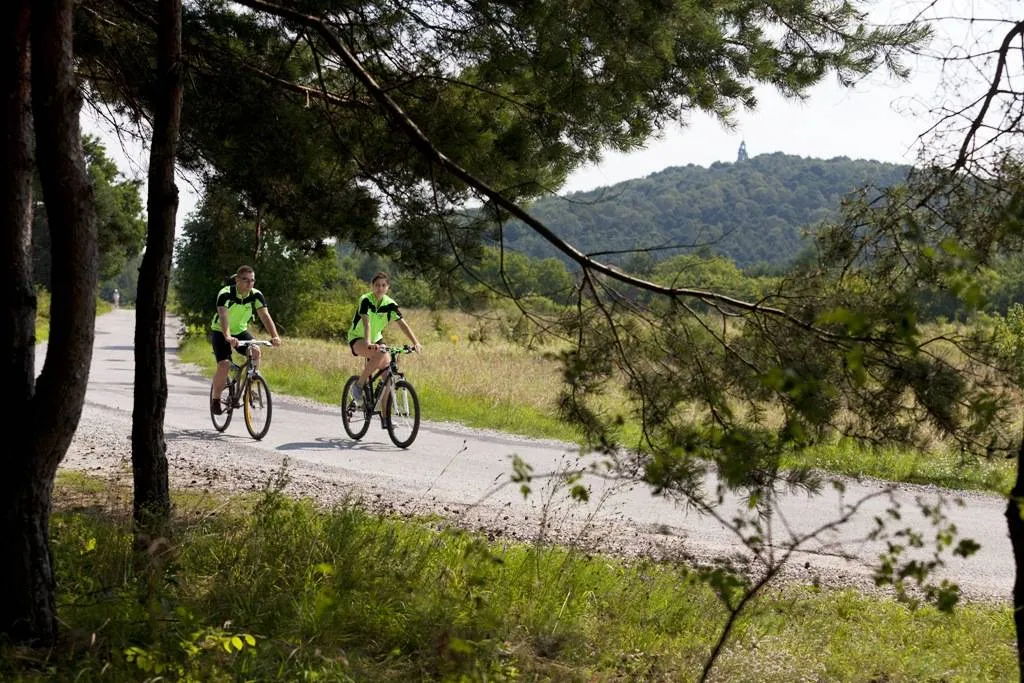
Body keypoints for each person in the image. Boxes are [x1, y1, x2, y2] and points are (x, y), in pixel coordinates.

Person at [209, 265, 282, 415]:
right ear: (237, 280)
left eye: (252, 280)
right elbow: (223, 317)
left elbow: (264, 316)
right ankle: (215, 400)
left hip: (241, 331)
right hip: (220, 331)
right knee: (224, 365)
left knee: (255, 350)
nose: (250, 283)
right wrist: (228, 337)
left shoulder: (256, 295)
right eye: (245, 280)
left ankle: (250, 388)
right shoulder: (225, 293)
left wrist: (275, 336)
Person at [347, 271, 421, 407]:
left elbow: (403, 325)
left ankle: (386, 420)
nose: (380, 288)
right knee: (380, 352)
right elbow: (366, 323)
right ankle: (359, 385)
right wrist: (368, 342)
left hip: (377, 339)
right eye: (377, 285)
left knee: (389, 378)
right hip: (358, 338)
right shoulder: (365, 300)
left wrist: (415, 342)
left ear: (388, 287)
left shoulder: (391, 305)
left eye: (383, 285)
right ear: (372, 286)